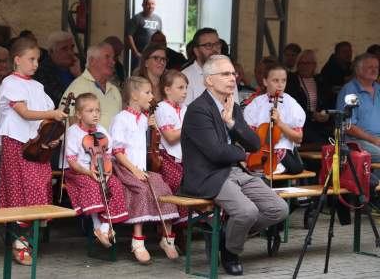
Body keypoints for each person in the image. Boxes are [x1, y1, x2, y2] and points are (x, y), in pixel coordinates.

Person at [180, 55, 288, 276]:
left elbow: (255, 143)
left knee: (279, 209)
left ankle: (225, 239)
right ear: (209, 80)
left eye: (233, 74)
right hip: (208, 175)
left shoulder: (232, 107)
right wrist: (240, 153)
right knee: (246, 212)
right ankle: (231, 253)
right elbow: (215, 152)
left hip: (235, 171)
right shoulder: (198, 110)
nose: (232, 78)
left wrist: (231, 122)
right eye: (225, 74)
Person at [0, 37, 67, 265]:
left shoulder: (37, 86)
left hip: (36, 145)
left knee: (37, 185)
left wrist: (53, 135)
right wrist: (53, 115)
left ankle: (23, 238)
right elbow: (25, 113)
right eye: (31, 59)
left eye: (38, 59)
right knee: (19, 190)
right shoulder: (10, 83)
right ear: (17, 60)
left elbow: (46, 118)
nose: (36, 64)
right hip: (17, 144)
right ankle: (19, 241)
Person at [109, 76, 179, 264]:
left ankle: (167, 237)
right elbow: (118, 151)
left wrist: (151, 128)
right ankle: (137, 241)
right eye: (147, 92)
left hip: (140, 168)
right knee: (140, 191)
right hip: (124, 167)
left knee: (163, 188)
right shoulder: (121, 119)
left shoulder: (143, 119)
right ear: (134, 95)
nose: (152, 96)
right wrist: (135, 171)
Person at [63, 93, 129, 247]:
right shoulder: (73, 132)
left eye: (97, 111)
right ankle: (97, 226)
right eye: (90, 111)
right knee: (92, 185)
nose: (95, 114)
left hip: (100, 169)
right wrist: (88, 172)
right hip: (78, 171)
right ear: (79, 114)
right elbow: (72, 162)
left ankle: (105, 227)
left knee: (114, 185)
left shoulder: (102, 130)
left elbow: (108, 156)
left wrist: (108, 173)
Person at [244, 63, 306, 174]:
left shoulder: (292, 104)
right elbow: (249, 136)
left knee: (292, 165)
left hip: (282, 149)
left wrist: (280, 123)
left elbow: (299, 138)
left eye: (283, 80)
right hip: (260, 149)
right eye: (275, 80)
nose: (280, 85)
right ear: (265, 82)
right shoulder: (256, 104)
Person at [154, 70, 188, 232]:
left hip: (183, 159)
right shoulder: (162, 108)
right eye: (180, 88)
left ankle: (179, 228)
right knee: (174, 187)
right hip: (168, 157)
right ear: (167, 90)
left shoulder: (185, 108)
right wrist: (189, 127)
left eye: (186, 88)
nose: (185, 91)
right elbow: (170, 136)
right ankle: (169, 229)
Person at [60, 42, 121, 130]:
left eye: (113, 58)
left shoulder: (114, 90)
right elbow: (68, 123)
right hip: (88, 143)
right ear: (92, 61)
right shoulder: (78, 87)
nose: (113, 62)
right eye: (107, 57)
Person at [337, 53, 380, 165]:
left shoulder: (378, 89)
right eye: (370, 67)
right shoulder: (351, 91)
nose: (374, 70)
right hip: (356, 142)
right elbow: (348, 126)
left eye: (376, 67)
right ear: (358, 70)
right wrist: (374, 140)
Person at [285, 49, 333, 143]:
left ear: (314, 65)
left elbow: (328, 101)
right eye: (301, 63)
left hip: (321, 124)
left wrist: (326, 115)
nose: (304, 66)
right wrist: (312, 115)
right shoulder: (291, 81)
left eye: (308, 63)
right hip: (301, 125)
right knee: (318, 141)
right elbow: (292, 105)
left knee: (332, 139)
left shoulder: (321, 81)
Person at [182, 28, 239, 105]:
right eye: (208, 45)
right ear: (196, 51)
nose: (215, 49)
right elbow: (185, 113)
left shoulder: (228, 74)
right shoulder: (185, 76)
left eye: (217, 44)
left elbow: (235, 109)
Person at [34, 31, 82, 107]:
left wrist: (79, 75)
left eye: (72, 47)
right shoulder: (42, 72)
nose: (70, 53)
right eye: (64, 49)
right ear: (51, 52)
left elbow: (95, 95)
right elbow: (63, 102)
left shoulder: (79, 65)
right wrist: (79, 78)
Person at [127, 0, 162, 70]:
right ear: (143, 5)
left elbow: (160, 37)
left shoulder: (158, 19)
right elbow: (129, 36)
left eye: (152, 4)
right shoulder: (137, 18)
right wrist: (136, 53)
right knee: (138, 77)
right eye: (148, 4)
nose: (150, 6)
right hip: (140, 56)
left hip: (153, 56)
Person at [321, 41, 353, 108]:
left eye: (350, 51)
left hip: (350, 105)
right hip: (333, 106)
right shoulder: (329, 69)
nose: (348, 54)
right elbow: (328, 90)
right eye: (344, 52)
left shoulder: (352, 67)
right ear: (337, 53)